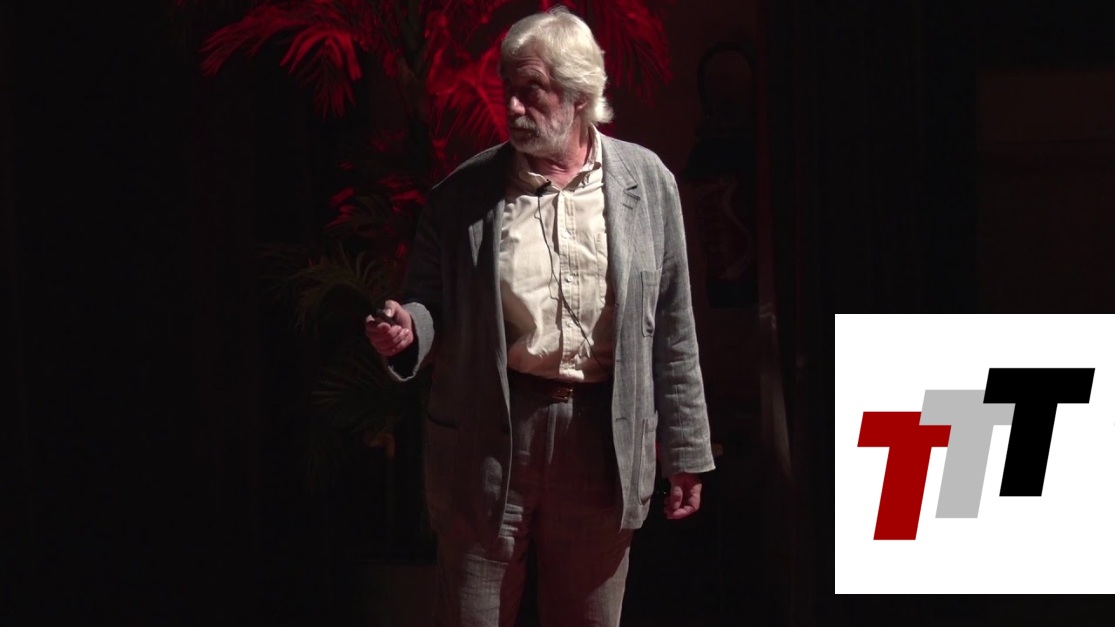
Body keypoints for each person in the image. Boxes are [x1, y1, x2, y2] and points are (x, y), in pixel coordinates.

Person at [366, 6, 715, 626]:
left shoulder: (648, 184)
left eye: (532, 91)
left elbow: (673, 325)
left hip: (602, 439)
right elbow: (429, 303)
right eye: (509, 89)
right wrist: (408, 328)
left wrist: (686, 450)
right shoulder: (462, 195)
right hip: (490, 439)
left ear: (579, 96)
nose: (513, 107)